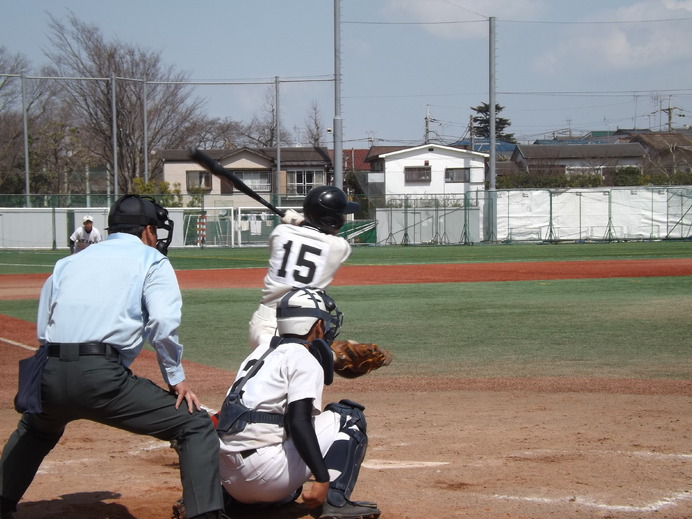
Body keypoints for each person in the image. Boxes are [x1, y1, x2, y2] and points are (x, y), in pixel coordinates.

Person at [0, 194, 227, 519]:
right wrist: (176, 379)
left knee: (36, 429)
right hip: (100, 376)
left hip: (46, 370)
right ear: (148, 230)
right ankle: (205, 514)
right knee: (194, 424)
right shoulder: (153, 261)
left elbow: (44, 325)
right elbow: (162, 324)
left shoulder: (70, 261)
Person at [218, 287, 381, 519]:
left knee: (269, 427)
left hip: (231, 481)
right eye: (323, 322)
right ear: (316, 326)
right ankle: (335, 501)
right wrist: (321, 477)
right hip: (264, 476)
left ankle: (237, 502)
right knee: (348, 416)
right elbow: (299, 421)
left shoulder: (260, 352)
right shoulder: (303, 357)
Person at [248, 185, 359, 348]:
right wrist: (300, 221)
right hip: (300, 327)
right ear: (333, 220)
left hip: (264, 323)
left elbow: (302, 236)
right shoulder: (339, 247)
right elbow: (316, 236)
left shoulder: (280, 232)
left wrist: (298, 222)